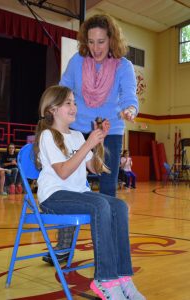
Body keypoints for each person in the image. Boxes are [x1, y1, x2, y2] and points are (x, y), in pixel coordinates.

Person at [34, 85, 145, 300]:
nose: (74, 106)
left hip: (78, 194)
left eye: (75, 102)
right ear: (52, 109)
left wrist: (98, 143)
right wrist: (88, 145)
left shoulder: (76, 136)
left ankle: (122, 277)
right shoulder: (48, 135)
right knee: (100, 205)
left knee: (119, 205)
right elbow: (64, 172)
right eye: (68, 103)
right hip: (54, 197)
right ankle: (104, 279)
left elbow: (94, 168)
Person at [46, 13, 139, 265]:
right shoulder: (77, 61)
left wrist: (130, 110)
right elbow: (64, 89)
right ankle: (64, 247)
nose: (95, 48)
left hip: (110, 131)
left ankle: (107, 251)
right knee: (70, 187)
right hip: (77, 131)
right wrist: (53, 111)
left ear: (111, 40)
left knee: (107, 190)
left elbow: (130, 96)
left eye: (101, 42)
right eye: (91, 42)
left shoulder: (124, 66)